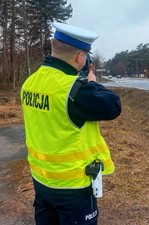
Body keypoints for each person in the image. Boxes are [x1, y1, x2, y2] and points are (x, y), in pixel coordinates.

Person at [20, 22, 121, 225]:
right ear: (80, 57)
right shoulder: (76, 91)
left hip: (41, 182)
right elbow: (113, 106)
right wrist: (92, 82)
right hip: (72, 188)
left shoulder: (29, 82)